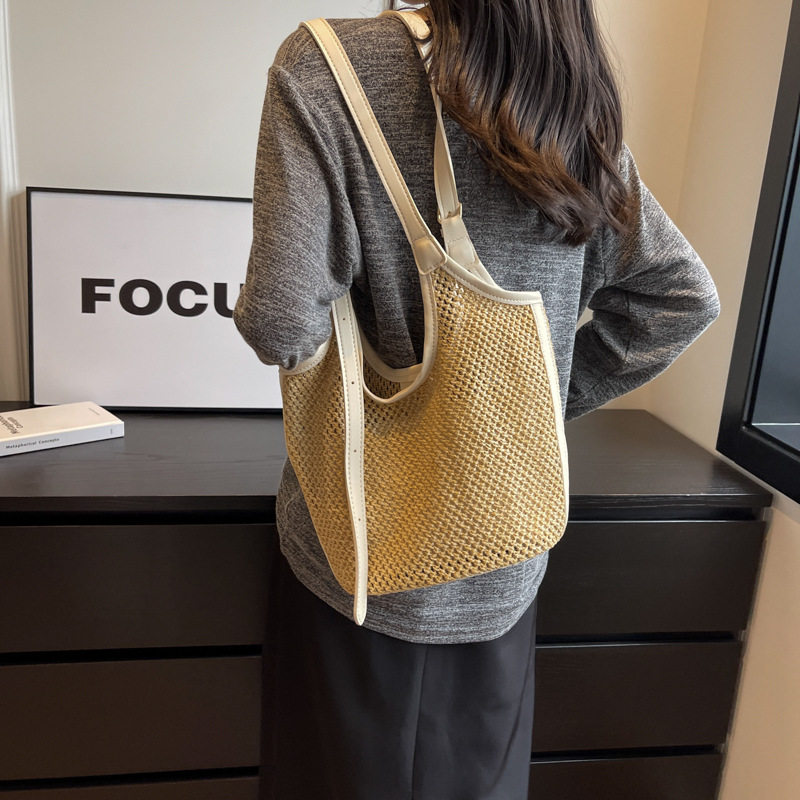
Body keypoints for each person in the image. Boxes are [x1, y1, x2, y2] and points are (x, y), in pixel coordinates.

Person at [233, 1, 721, 798]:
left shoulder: (327, 64)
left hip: (357, 549)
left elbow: (280, 322)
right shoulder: (563, 95)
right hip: (502, 553)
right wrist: (521, 409)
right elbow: (680, 297)